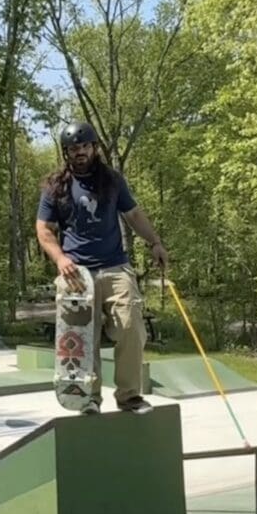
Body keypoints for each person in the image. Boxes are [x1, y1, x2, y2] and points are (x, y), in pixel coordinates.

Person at [35, 121, 169, 414]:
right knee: (83, 337)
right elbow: (44, 229)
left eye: (84, 146)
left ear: (94, 147)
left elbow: (133, 214)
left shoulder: (112, 181)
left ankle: (129, 396)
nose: (79, 152)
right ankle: (88, 398)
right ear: (66, 152)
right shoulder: (55, 186)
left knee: (132, 327)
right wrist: (59, 258)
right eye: (73, 149)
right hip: (76, 273)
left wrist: (155, 242)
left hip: (114, 267)